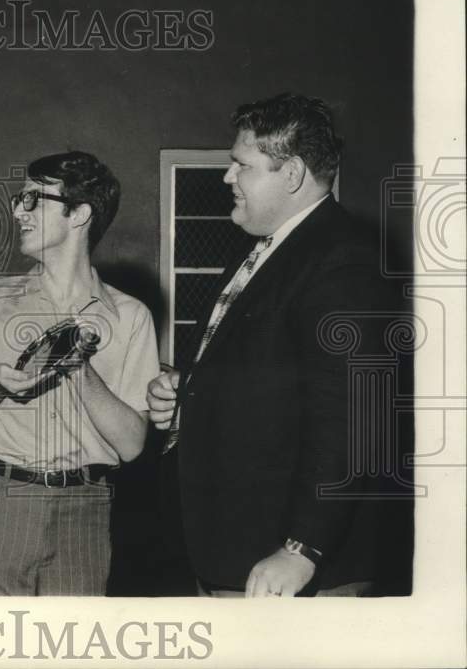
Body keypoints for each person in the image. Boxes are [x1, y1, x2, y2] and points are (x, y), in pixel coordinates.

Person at [147, 92, 388, 598]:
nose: (227, 177)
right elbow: (271, 373)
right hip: (236, 552)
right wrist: (187, 389)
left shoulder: (342, 258)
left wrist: (302, 548)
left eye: (242, 165)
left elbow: (353, 416)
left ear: (292, 173)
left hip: (289, 567)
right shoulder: (267, 248)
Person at [0, 151, 158, 595]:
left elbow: (132, 444)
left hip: (85, 510)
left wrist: (77, 366)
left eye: (33, 200)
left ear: (79, 213)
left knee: (74, 637)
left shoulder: (130, 315)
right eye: (19, 200)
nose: (18, 212)